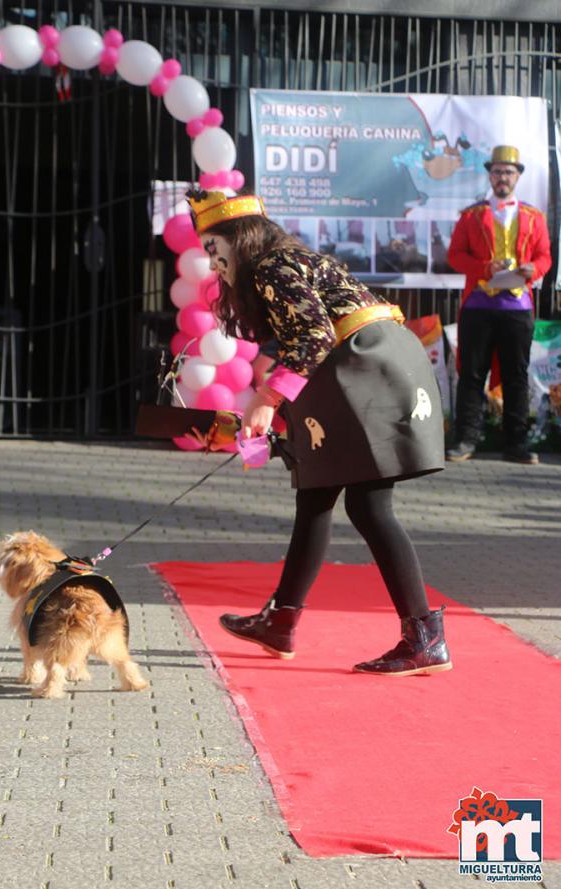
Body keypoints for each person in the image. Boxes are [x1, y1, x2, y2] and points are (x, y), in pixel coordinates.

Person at [185, 189, 451, 676]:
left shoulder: (271, 266)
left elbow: (315, 336)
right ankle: (280, 622)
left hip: (366, 364)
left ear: (238, 238)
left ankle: (424, 638)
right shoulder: (281, 261)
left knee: (369, 506)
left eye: (214, 246)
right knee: (316, 493)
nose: (212, 259)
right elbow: (303, 341)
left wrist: (268, 399)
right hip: (362, 364)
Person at [446, 145, 552, 464]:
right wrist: (483, 268)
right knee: (471, 374)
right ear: (489, 176)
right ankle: (465, 440)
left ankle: (515, 444)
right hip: (478, 305)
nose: (502, 177)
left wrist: (535, 269)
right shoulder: (471, 215)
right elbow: (455, 256)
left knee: (516, 375)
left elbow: (545, 256)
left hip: (517, 309)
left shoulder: (534, 217)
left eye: (508, 172)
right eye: (496, 172)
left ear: (517, 176)